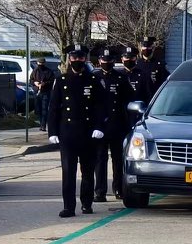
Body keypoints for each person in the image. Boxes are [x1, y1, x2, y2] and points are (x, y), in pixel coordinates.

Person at [48, 44, 106, 218]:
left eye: (80, 58)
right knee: (68, 171)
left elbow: (101, 106)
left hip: (88, 132)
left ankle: (87, 203)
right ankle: (69, 206)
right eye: (74, 57)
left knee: (87, 171)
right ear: (69, 59)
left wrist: (99, 127)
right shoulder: (61, 80)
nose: (77, 61)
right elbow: (54, 108)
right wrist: (52, 131)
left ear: (85, 59)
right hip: (67, 132)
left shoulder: (94, 80)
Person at [93, 47, 134, 201]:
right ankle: (100, 191)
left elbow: (130, 97)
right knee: (100, 159)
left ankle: (118, 188)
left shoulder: (121, 78)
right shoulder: (94, 78)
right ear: (99, 61)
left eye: (110, 61)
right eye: (104, 61)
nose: (107, 63)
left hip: (117, 124)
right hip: (100, 125)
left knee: (118, 159)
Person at [29, 57, 55, 131]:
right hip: (37, 92)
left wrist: (44, 84)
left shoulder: (49, 71)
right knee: (38, 109)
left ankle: (43, 125)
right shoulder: (35, 71)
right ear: (37, 63)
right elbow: (31, 80)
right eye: (39, 63)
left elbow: (52, 81)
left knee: (44, 109)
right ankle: (41, 123)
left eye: (42, 63)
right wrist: (35, 83)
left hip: (46, 92)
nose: (40, 64)